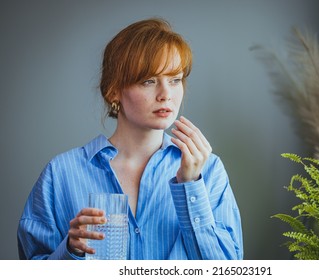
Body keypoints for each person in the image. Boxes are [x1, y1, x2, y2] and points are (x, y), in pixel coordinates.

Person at [17, 18, 243, 260]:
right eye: (149, 81)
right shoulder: (60, 173)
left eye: (175, 80)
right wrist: (70, 251)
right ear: (114, 90)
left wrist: (190, 186)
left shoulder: (209, 172)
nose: (166, 95)